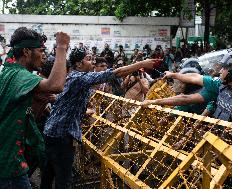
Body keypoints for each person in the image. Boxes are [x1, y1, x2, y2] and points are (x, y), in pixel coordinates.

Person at [40, 47, 160, 189]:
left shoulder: (71, 77)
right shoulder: (79, 78)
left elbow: (68, 101)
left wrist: (84, 110)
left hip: (52, 132)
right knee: (64, 179)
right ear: (78, 64)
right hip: (62, 135)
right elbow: (115, 73)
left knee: (48, 175)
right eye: (89, 59)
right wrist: (141, 64)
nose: (92, 62)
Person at [142, 49, 232, 152]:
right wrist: (173, 74)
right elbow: (195, 77)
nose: (220, 71)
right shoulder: (222, 85)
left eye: (224, 68)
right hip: (227, 144)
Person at [0, 27, 70, 188]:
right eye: (40, 50)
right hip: (9, 167)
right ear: (26, 51)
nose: (43, 55)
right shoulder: (20, 76)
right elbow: (56, 85)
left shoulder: (8, 72)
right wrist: (61, 47)